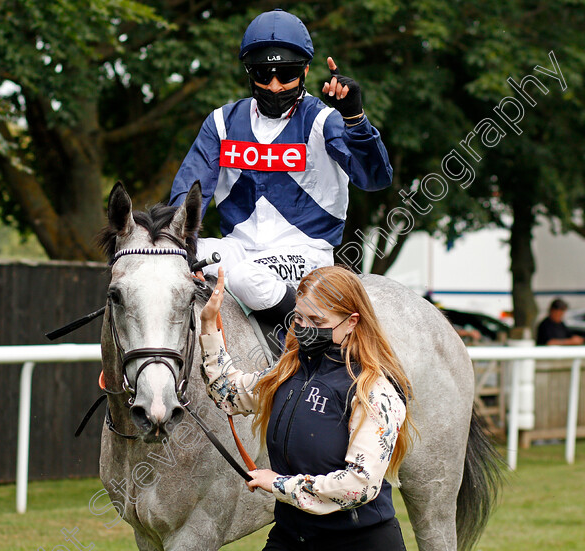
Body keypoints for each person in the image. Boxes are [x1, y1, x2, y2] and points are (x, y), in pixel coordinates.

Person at [170, 9, 393, 327]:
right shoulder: (221, 122)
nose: (274, 86)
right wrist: (178, 246)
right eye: (263, 74)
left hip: (307, 253)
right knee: (166, 258)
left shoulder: (324, 120)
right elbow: (188, 195)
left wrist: (355, 119)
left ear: (304, 71)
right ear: (250, 73)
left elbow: (375, 179)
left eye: (286, 73)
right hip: (237, 249)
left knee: (247, 278)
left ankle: (319, 341)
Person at [199, 265, 413, 550]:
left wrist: (280, 484)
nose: (306, 329)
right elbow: (229, 393)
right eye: (299, 318)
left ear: (351, 322)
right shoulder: (287, 370)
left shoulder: (373, 389)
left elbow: (358, 485)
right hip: (290, 537)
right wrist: (209, 325)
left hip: (359, 541)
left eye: (317, 320)